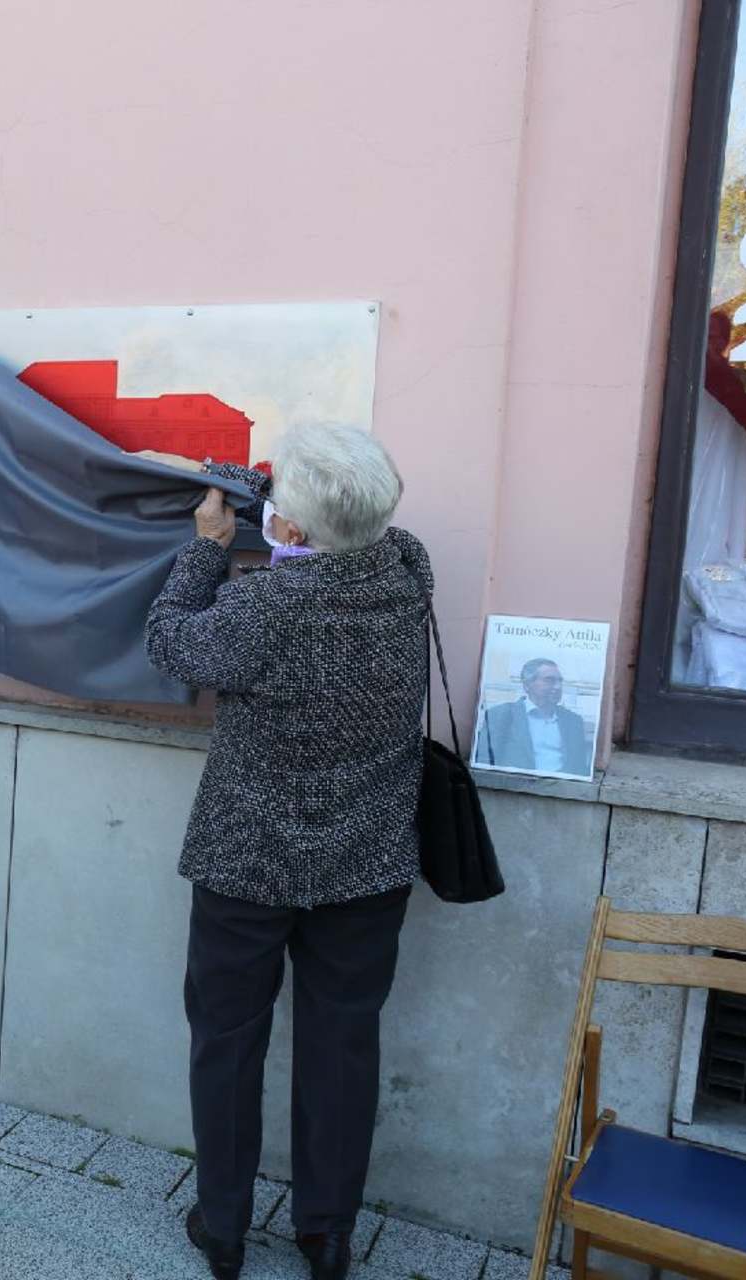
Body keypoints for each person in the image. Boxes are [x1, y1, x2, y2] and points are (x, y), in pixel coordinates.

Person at [144, 424, 431, 1280]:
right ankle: (327, 1233)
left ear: (294, 530)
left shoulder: (265, 605)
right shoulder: (409, 572)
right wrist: (245, 481)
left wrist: (207, 548)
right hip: (368, 860)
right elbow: (361, 526)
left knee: (227, 1040)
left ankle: (225, 1225)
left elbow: (170, 643)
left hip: (248, 860)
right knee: (344, 1045)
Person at [473, 658, 591, 777]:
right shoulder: (501, 715)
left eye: (560, 681)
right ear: (527, 685)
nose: (558, 686)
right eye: (549, 680)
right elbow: (485, 760)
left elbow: (579, 767)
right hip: (516, 783)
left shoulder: (573, 721)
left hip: (561, 785)